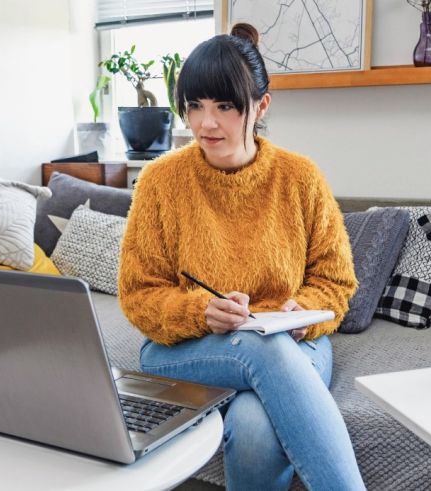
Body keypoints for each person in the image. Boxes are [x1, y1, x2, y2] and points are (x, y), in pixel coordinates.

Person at [117, 23, 365, 491]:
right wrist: (199, 311)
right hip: (188, 349)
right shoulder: (159, 182)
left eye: (224, 107)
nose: (205, 123)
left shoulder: (300, 178)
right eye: (194, 106)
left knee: (254, 430)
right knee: (261, 347)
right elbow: (138, 295)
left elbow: (337, 282)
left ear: (261, 106)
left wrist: (301, 309)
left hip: (296, 341)